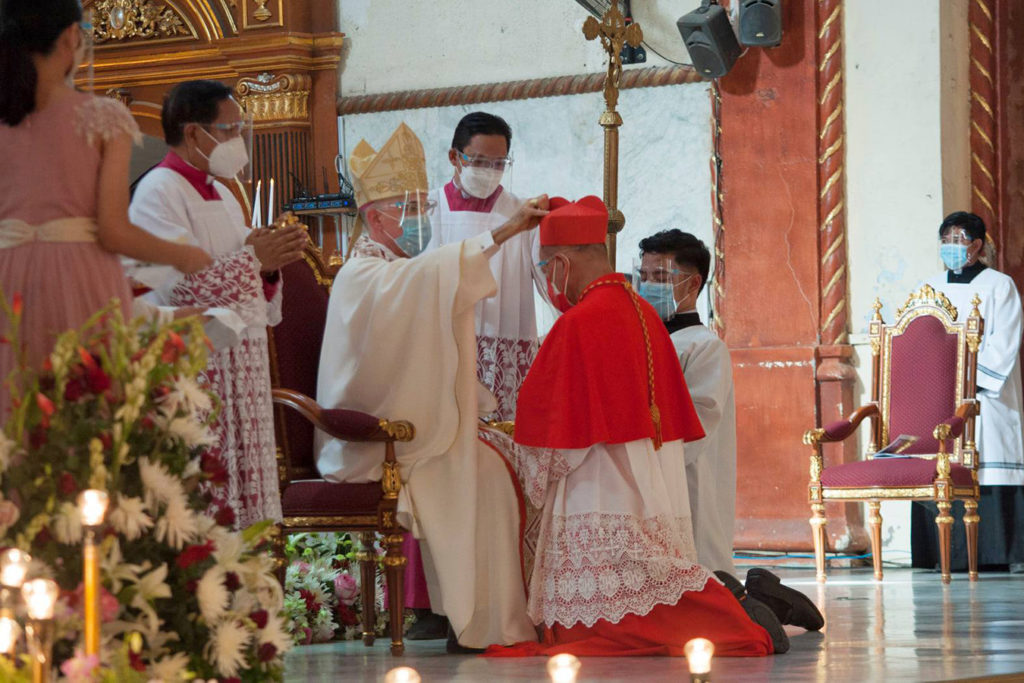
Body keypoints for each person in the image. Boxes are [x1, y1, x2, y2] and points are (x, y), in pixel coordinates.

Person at [490, 197, 774, 657]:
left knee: (608, 606)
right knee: (646, 576)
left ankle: (734, 617)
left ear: (561, 262)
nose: (548, 281)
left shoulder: (579, 322)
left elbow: (554, 429)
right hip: (648, 478)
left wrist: (529, 469)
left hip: (597, 481)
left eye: (546, 269)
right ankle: (736, 611)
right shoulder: (643, 315)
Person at [315, 122, 548, 651]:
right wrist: (504, 233)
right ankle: (471, 619)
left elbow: (431, 307)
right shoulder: (363, 274)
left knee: (499, 462)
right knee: (481, 471)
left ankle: (486, 615)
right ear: (376, 217)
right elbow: (432, 285)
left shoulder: (399, 267)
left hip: (411, 421)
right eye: (412, 210)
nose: (423, 220)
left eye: (422, 207)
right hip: (373, 437)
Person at [0, 0, 211, 419]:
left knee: (18, 415)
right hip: (78, 277)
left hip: (8, 278)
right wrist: (184, 255)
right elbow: (113, 231)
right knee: (85, 414)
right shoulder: (102, 118)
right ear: (70, 38)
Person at [126, 80, 307, 527]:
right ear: (193, 134)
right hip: (196, 368)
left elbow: (247, 280)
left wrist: (268, 265)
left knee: (250, 516)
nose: (235, 141)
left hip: (242, 367)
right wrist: (253, 261)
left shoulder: (223, 193)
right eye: (227, 130)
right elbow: (173, 290)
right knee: (208, 510)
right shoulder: (158, 191)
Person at [637, 230, 824, 633]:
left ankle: (769, 602)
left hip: (687, 478)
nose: (649, 286)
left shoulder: (703, 346)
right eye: (644, 275)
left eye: (662, 276)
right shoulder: (641, 340)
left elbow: (699, 419)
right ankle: (760, 593)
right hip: (646, 475)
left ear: (693, 283)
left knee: (702, 587)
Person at [912, 211, 1024, 573]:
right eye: (946, 240)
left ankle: (993, 554)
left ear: (976, 245)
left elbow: (1003, 342)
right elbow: (920, 337)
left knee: (987, 461)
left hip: (984, 396)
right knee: (942, 460)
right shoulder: (929, 287)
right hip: (940, 394)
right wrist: (935, 380)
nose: (951, 247)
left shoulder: (999, 285)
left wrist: (968, 380)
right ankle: (940, 553)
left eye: (958, 240)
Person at [424, 112, 540, 422]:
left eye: (499, 164)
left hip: (500, 350)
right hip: (441, 346)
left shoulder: (523, 214)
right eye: (478, 161)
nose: (490, 172)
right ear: (454, 157)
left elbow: (550, 278)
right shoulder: (426, 210)